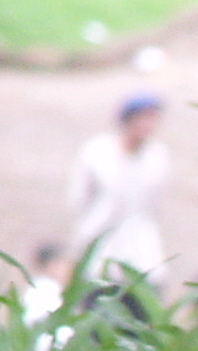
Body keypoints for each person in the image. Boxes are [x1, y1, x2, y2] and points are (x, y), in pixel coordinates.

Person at [67, 92, 169, 296]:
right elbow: (79, 198)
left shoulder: (156, 156)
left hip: (141, 255)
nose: (148, 125)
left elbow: (154, 203)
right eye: (143, 118)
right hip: (100, 253)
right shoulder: (98, 152)